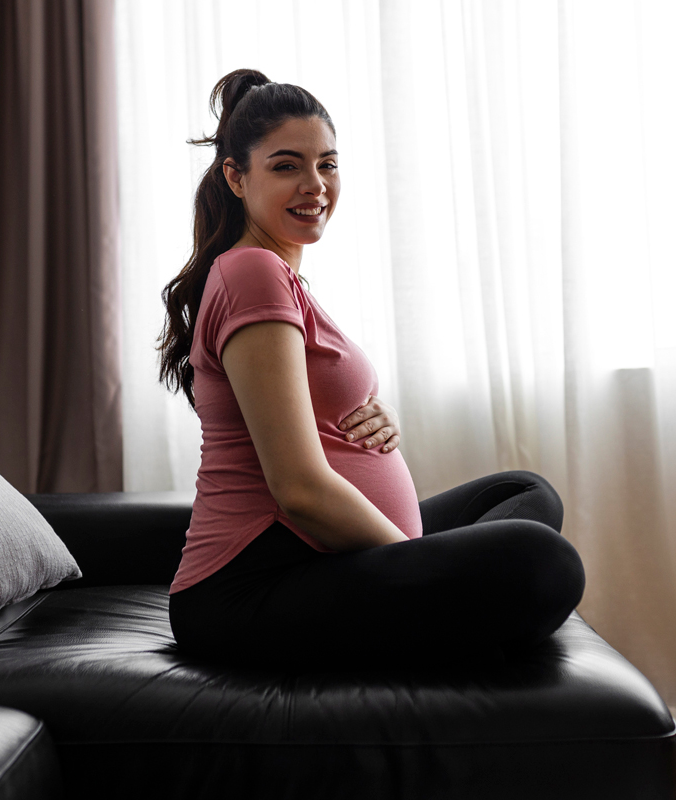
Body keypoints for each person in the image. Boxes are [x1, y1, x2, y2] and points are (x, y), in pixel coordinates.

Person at [158, 68, 584, 670]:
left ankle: (442, 614)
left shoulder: (277, 276)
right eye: (286, 166)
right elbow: (298, 489)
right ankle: (446, 615)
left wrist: (370, 421)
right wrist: (411, 564)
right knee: (545, 562)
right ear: (236, 176)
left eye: (327, 164)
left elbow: (307, 408)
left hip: (323, 557)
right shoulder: (251, 272)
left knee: (520, 493)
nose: (315, 185)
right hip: (251, 586)